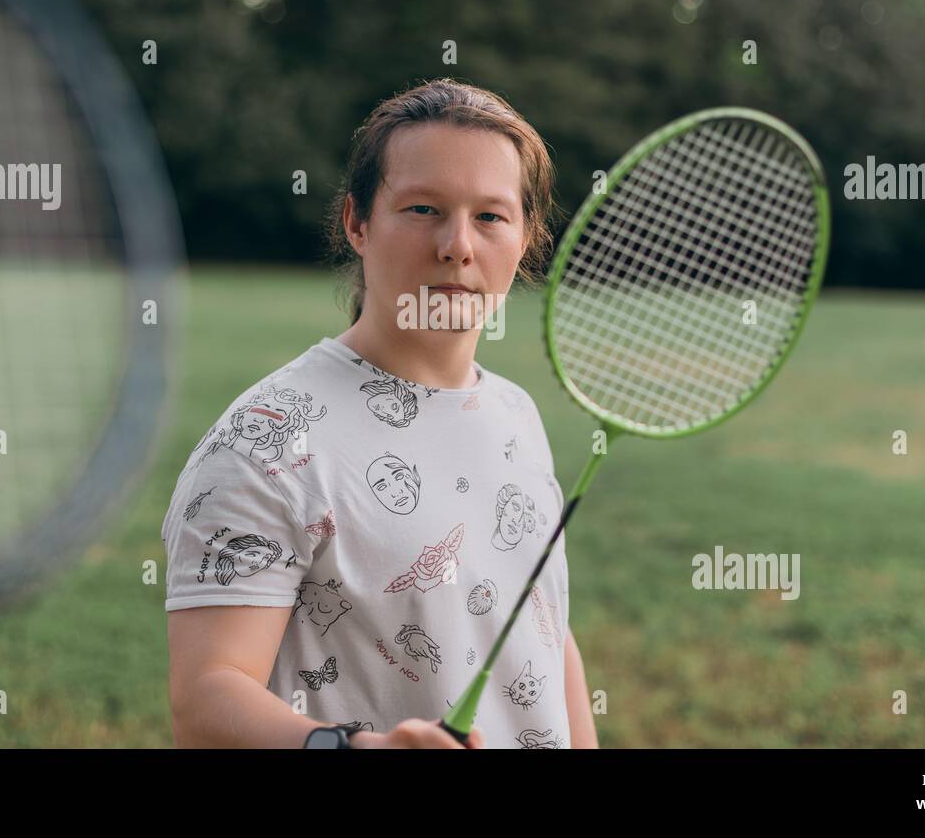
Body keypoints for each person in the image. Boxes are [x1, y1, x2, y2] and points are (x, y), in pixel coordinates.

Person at [162, 78, 598, 749]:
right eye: (424, 208)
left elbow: (543, 631)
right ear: (356, 223)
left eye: (491, 216)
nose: (457, 244)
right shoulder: (267, 442)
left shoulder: (516, 412)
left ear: (527, 238)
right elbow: (206, 699)